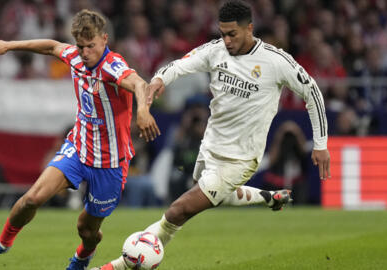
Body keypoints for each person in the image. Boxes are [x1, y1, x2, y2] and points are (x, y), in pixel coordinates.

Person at [93, 1, 330, 269]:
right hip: (210, 146)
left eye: (232, 34)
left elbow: (313, 94)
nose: (226, 40)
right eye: (223, 33)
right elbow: (180, 65)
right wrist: (160, 79)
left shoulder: (276, 61)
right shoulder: (216, 50)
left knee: (178, 210)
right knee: (215, 195)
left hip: (240, 158)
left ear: (249, 28)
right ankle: (268, 197)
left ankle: (118, 265)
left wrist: (320, 145)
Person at [0, 9, 160, 270]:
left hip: (110, 163)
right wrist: (8, 46)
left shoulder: (112, 66)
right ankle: (3, 242)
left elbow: (138, 84)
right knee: (32, 198)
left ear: (104, 39)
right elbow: (51, 47)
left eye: (91, 45)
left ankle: (83, 256)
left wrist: (142, 111)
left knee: (87, 229)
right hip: (78, 149)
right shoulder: (75, 56)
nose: (85, 52)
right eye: (81, 46)